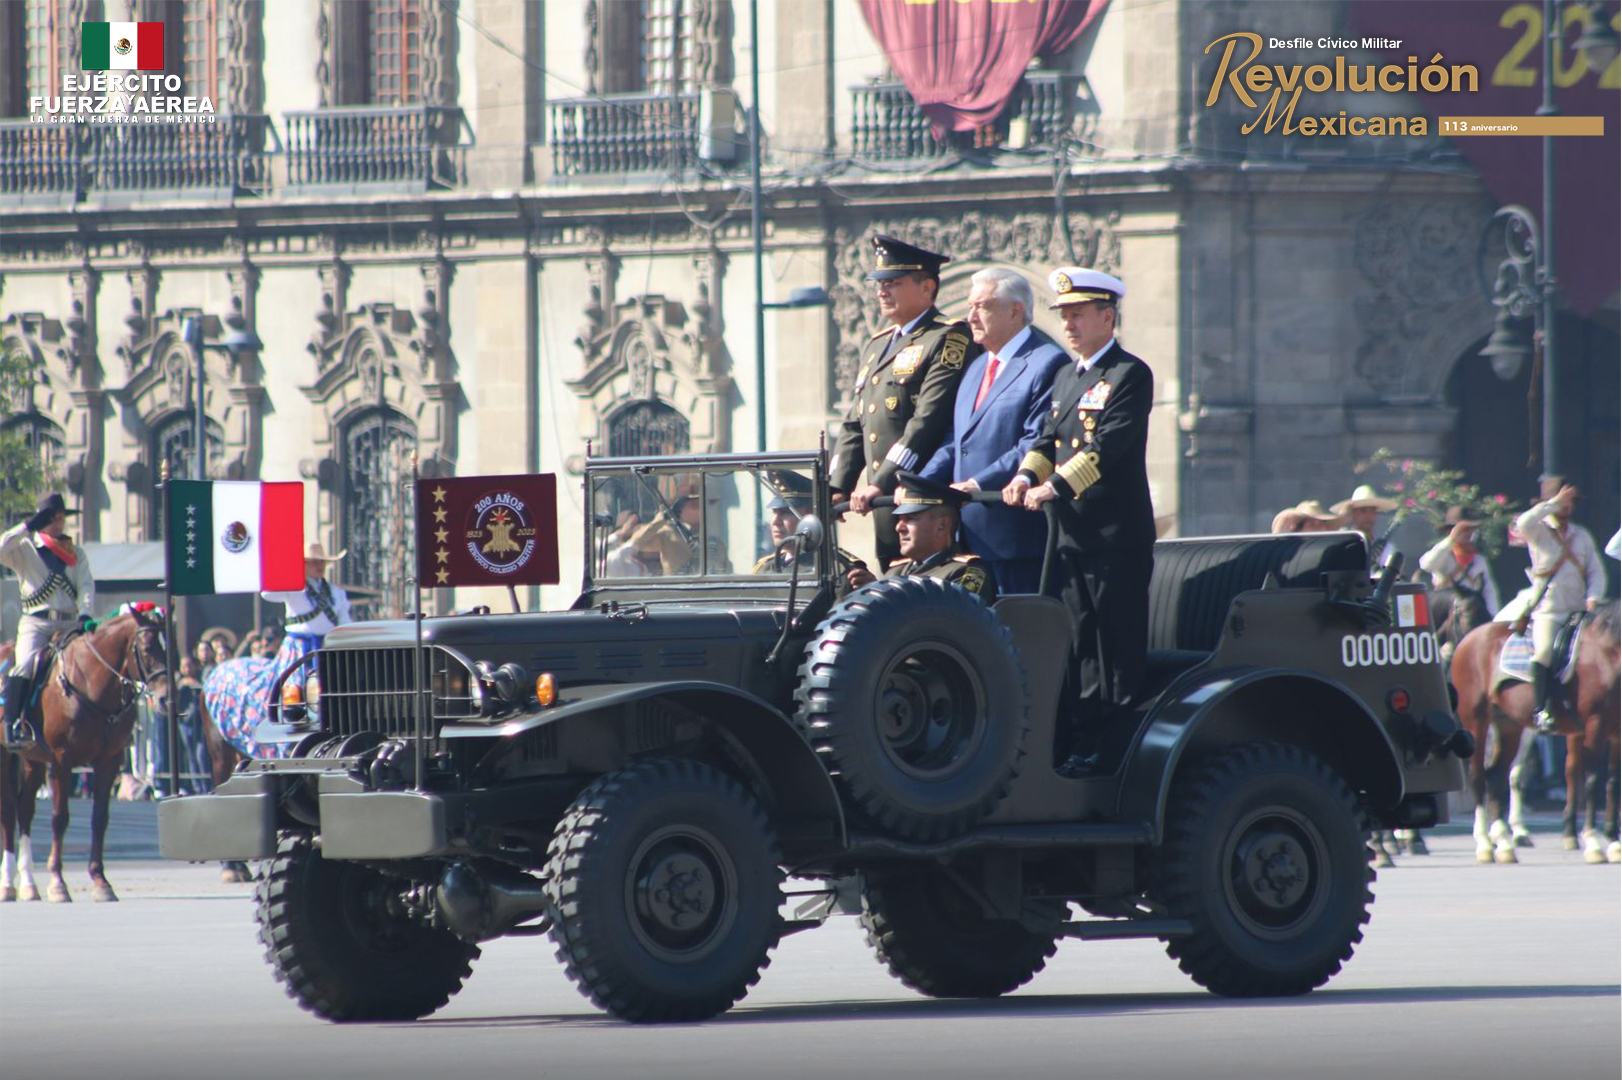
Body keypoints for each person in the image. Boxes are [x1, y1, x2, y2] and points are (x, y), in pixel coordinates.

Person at [1001, 268, 1154, 774]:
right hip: (1069, 536)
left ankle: (1120, 748)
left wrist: (1056, 487)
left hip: (1114, 538)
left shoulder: (1130, 374)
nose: (1067, 323)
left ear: (1107, 317)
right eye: (1063, 315)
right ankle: (1082, 740)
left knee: (1114, 646)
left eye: (1078, 314)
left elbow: (1108, 446)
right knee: (1076, 641)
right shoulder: (1069, 375)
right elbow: (1047, 440)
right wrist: (1026, 475)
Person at [918, 267, 1069, 595]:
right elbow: (956, 443)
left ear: (1015, 310)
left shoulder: (1047, 363)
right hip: (969, 543)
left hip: (1015, 539)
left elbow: (1033, 442)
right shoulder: (975, 368)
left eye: (982, 306)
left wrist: (977, 483)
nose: (971, 316)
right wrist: (920, 484)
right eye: (970, 306)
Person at [831, 235, 977, 568]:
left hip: (923, 504)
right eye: (880, 283)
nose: (882, 291)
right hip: (885, 505)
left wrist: (882, 482)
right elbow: (856, 423)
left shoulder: (948, 336)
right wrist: (838, 485)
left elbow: (927, 421)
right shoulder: (877, 345)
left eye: (893, 283)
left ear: (927, 288)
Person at [1496, 479, 1607, 732]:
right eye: (1564, 501)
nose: (1567, 506)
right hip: (1549, 610)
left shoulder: (1582, 535)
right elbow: (1522, 523)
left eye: (1570, 502)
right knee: (1544, 652)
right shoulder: (1539, 530)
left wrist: (1594, 597)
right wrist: (1553, 503)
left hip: (1579, 611)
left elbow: (1596, 572)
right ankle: (1541, 710)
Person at [0, 493, 95, 747]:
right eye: (53, 519)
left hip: (69, 622)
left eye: (62, 518)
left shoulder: (76, 553)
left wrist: (85, 613)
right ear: (42, 521)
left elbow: (86, 585)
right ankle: (13, 724)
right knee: (26, 665)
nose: (60, 524)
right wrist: (27, 527)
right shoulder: (24, 549)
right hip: (36, 623)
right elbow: (1, 547)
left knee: (91, 664)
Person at [845, 474, 995, 604]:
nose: (899, 528)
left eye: (910, 519)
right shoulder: (894, 572)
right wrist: (873, 590)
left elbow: (944, 620)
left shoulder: (966, 572)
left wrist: (882, 595)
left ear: (942, 526)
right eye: (899, 519)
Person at [1418, 510, 1501, 616]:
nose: (1468, 533)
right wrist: (1451, 539)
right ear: (1450, 531)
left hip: (1470, 610)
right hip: (1445, 609)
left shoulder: (1479, 560)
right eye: (1463, 530)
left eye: (1470, 529)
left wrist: (1493, 615)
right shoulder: (1443, 555)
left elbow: (1489, 591)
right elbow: (1427, 565)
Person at [1332, 484, 1399, 562]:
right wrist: (1341, 520)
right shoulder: (1341, 541)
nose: (1369, 516)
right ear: (1353, 513)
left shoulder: (1387, 549)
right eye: (1363, 511)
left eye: (1373, 511)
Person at [1271, 500, 1342, 534]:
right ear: (1298, 527)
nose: (1319, 527)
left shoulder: (1330, 548)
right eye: (1312, 524)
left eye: (1321, 523)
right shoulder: (1292, 549)